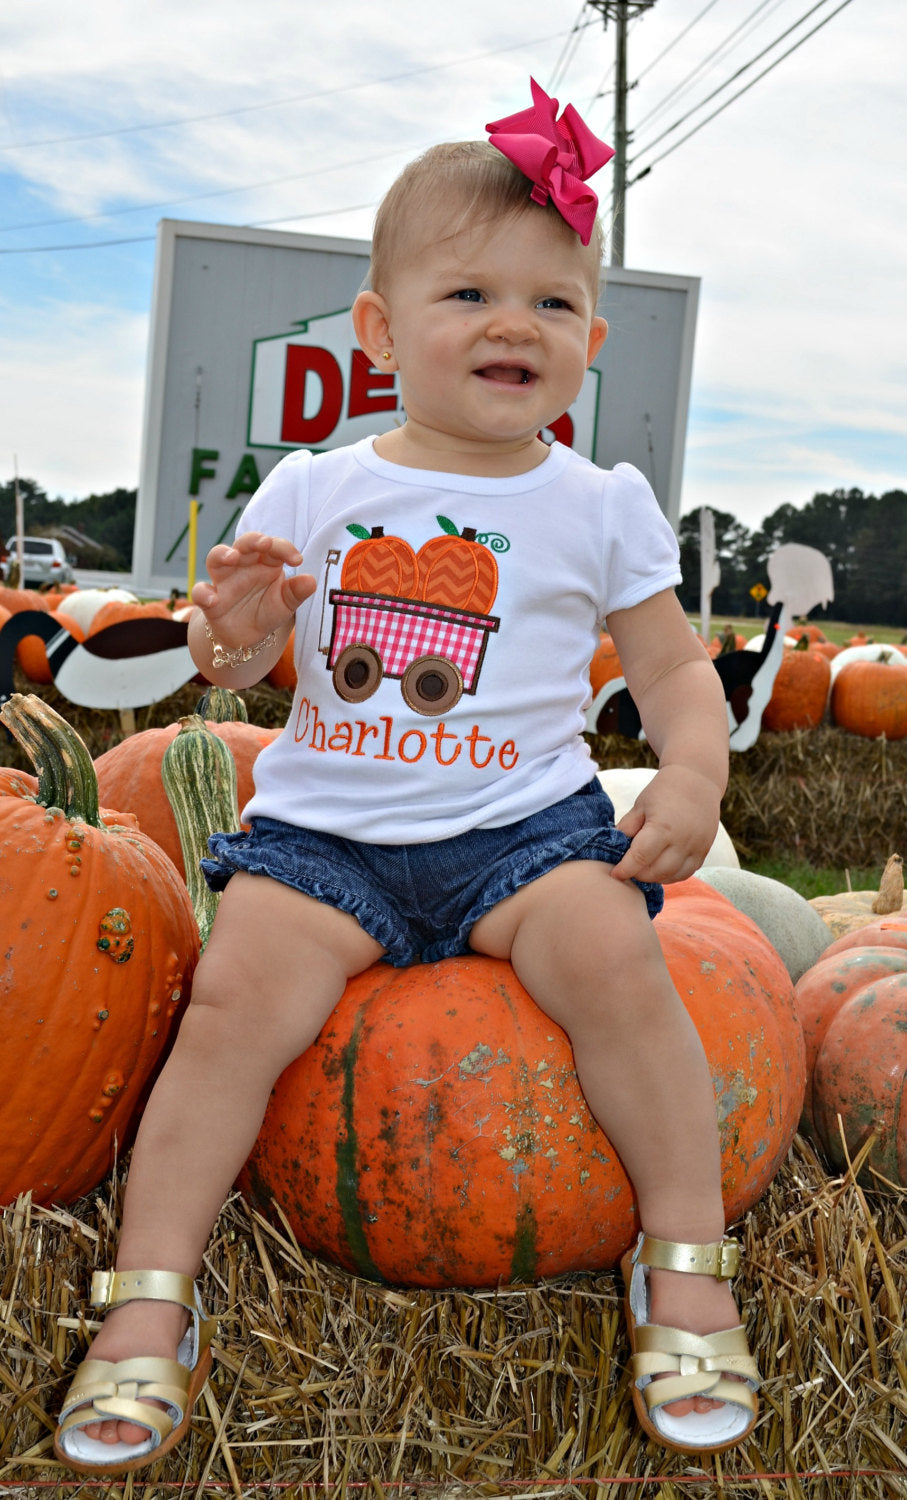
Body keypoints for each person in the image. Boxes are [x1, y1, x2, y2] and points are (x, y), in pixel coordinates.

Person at [54, 79, 759, 1474]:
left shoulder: (599, 502)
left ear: (592, 343)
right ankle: (149, 1299)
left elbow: (677, 669)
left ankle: (685, 1259)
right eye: (470, 295)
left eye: (553, 305)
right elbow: (243, 663)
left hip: (526, 836)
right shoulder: (312, 491)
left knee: (624, 968)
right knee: (231, 1008)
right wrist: (240, 632)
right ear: (378, 331)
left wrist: (692, 772)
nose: (514, 325)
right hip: (329, 842)